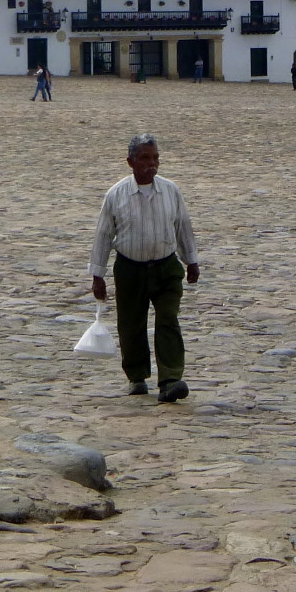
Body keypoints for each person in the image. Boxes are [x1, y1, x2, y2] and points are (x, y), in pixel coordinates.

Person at [89, 133, 200, 403]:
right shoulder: (116, 195)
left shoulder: (171, 191)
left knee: (168, 320)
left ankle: (171, 379)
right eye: (145, 158)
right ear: (131, 162)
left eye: (156, 158)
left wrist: (192, 260)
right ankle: (137, 377)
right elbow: (104, 235)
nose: (152, 164)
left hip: (166, 267)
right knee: (130, 325)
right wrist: (98, 275)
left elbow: (183, 226)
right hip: (130, 269)